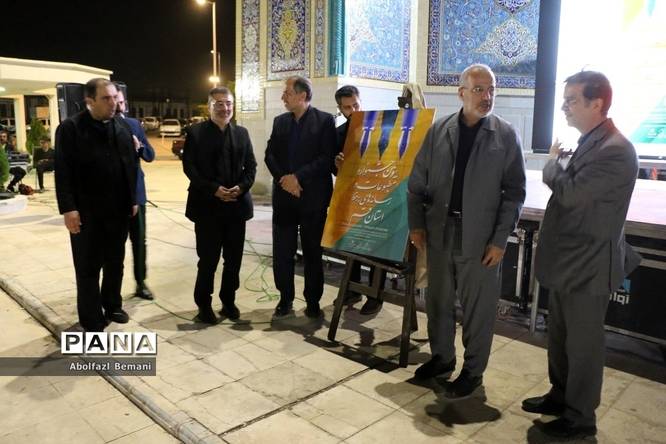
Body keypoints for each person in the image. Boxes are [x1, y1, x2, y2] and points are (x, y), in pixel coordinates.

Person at [522, 71, 639, 440]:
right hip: (568, 262)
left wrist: (551, 165)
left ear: (597, 103)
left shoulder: (615, 150)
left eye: (571, 100)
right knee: (560, 338)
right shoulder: (592, 141)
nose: (564, 107)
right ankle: (561, 396)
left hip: (588, 267)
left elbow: (571, 195)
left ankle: (580, 417)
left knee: (583, 346)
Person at [407, 64, 526, 398]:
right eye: (478, 90)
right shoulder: (439, 132)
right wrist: (416, 224)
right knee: (438, 302)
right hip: (440, 233)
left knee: (478, 310)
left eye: (491, 90)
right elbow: (416, 184)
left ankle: (473, 372)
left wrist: (500, 240)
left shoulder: (505, 136)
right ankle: (442, 359)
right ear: (461, 93)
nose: (487, 96)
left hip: (481, 240)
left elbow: (514, 193)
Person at [55, 78, 138, 332]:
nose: (113, 103)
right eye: (106, 98)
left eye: (114, 97)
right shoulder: (70, 129)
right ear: (89, 101)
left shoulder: (121, 126)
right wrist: (69, 209)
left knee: (115, 262)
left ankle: (112, 305)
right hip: (86, 213)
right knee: (88, 267)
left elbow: (130, 166)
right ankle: (91, 319)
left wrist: (133, 199)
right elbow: (63, 171)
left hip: (118, 211)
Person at [183, 87, 257, 324]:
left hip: (236, 207)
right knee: (208, 260)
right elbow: (190, 168)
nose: (225, 108)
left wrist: (241, 188)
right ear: (209, 107)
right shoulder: (195, 133)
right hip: (207, 208)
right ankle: (203, 304)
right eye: (219, 104)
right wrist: (214, 189)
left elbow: (251, 166)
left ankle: (228, 301)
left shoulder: (242, 133)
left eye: (228, 103)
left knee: (233, 260)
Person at [265, 76, 336, 319]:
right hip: (284, 198)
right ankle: (285, 299)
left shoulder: (325, 121)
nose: (283, 97)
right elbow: (270, 155)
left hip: (312, 198)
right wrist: (285, 180)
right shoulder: (280, 122)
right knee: (282, 252)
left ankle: (313, 301)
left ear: (302, 95)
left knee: (312, 252)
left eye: (287, 93)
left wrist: (298, 178)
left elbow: (326, 158)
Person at [333, 85, 385, 315]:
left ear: (360, 101)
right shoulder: (339, 134)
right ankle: (352, 290)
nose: (353, 110)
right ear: (340, 109)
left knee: (377, 248)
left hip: (378, 195)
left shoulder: (381, 127)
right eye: (347, 107)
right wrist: (337, 164)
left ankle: (375, 296)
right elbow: (335, 170)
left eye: (355, 104)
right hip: (352, 197)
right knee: (351, 244)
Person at [115, 88, 156, 300]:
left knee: (139, 241)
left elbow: (150, 155)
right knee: (114, 246)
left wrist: (139, 147)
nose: (117, 105)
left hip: (137, 196)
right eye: (113, 100)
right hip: (114, 198)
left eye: (120, 101)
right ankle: (112, 291)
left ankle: (141, 283)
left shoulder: (134, 125)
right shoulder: (100, 127)